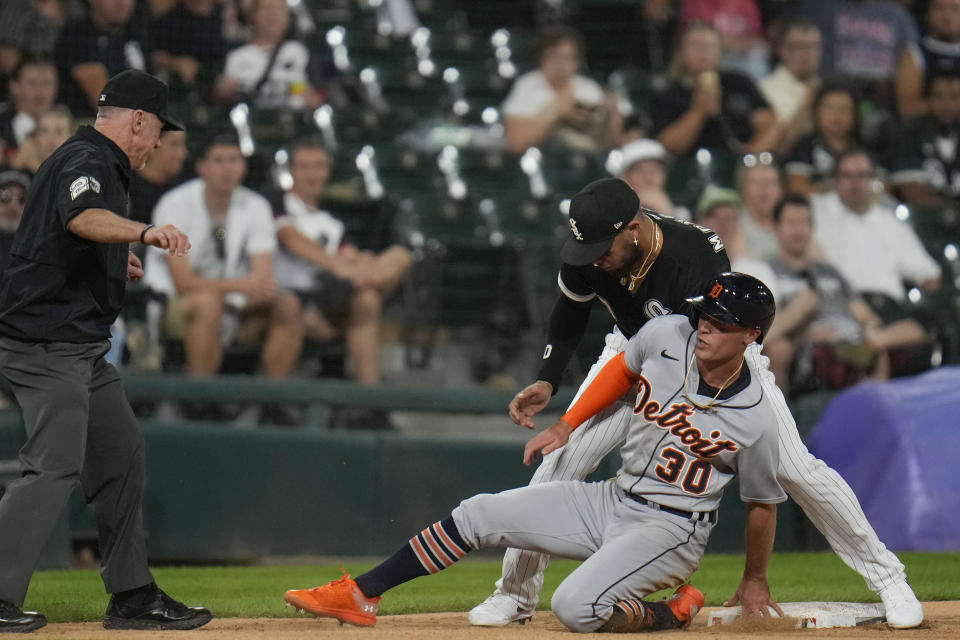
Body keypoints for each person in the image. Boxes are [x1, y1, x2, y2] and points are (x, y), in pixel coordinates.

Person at [466, 177, 923, 630]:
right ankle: (513, 595)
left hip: (721, 361)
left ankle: (889, 578)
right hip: (632, 353)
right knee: (559, 460)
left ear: (633, 228)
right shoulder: (589, 250)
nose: (595, 259)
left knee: (798, 470)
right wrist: (548, 378)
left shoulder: (693, 253)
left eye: (604, 245)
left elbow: (704, 345)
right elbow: (571, 310)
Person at [284, 273, 786, 632]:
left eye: (720, 323)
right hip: (615, 499)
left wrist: (755, 578)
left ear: (751, 335)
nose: (704, 326)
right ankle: (360, 594)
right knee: (478, 513)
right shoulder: (667, 334)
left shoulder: (756, 417)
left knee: (574, 606)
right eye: (704, 314)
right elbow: (623, 369)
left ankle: (670, 613)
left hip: (673, 530)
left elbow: (761, 504)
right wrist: (568, 423)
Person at [0, 69, 210, 633]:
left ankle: (133, 597)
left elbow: (69, 235)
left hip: (78, 347)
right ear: (138, 119)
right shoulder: (89, 159)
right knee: (53, 467)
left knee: (120, 455)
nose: (159, 143)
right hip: (46, 345)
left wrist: (114, 260)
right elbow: (82, 216)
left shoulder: (92, 157)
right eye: (158, 131)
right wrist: (143, 233)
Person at [143, 133, 303, 388]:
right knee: (209, 303)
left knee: (288, 305)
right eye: (218, 160)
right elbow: (183, 283)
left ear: (243, 167)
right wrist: (241, 286)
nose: (227, 168)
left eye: (233, 160)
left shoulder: (256, 205)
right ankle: (199, 400)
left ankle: (270, 401)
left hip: (232, 301)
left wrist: (250, 288)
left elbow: (261, 278)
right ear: (202, 167)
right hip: (175, 300)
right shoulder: (174, 204)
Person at [275, 139, 410, 390]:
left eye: (318, 166)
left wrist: (362, 263)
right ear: (291, 171)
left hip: (338, 292)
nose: (312, 173)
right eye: (304, 166)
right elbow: (290, 239)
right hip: (303, 297)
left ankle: (368, 403)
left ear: (327, 171)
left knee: (398, 259)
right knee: (366, 296)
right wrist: (336, 265)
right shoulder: (277, 203)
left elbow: (349, 253)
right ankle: (370, 399)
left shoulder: (331, 220)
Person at [763, 195, 925, 394]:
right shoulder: (767, 272)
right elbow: (772, 328)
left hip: (855, 340)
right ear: (775, 227)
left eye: (804, 223)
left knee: (917, 330)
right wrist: (804, 334)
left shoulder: (829, 271)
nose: (798, 230)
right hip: (816, 349)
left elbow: (862, 313)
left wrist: (871, 329)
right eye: (790, 223)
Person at [811, 148, 942, 317]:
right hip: (838, 307)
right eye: (846, 176)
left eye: (861, 176)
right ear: (834, 180)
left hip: (887, 310)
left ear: (872, 180)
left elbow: (927, 272)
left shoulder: (889, 222)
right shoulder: (815, 212)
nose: (854, 183)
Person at [653, 21, 779, 159]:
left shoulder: (739, 83)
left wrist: (751, 155)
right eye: (695, 46)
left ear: (720, 51)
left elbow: (770, 124)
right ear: (681, 52)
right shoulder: (670, 93)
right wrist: (699, 112)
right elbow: (667, 146)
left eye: (709, 46)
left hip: (740, 163)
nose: (703, 53)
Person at [501, 24, 623, 155]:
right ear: (540, 58)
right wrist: (556, 114)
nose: (560, 64)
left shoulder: (588, 88)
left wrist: (612, 116)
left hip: (587, 163)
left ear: (577, 62)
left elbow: (612, 147)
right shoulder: (527, 86)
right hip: (541, 163)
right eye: (553, 56)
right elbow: (515, 143)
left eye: (568, 57)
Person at [212, 0, 321, 110]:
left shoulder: (301, 51)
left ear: (287, 16)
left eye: (278, 10)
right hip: (252, 120)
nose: (273, 15)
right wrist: (222, 93)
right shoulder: (234, 55)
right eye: (266, 10)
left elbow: (322, 93)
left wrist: (313, 99)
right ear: (252, 15)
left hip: (292, 121)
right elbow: (216, 98)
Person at [54, 0, 150, 118]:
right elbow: (105, 102)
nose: (121, 3)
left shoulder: (136, 34)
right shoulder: (78, 34)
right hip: (87, 124)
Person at [890, 72, 960, 207]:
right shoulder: (909, 135)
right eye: (938, 97)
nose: (946, 105)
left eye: (954, 97)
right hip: (923, 223)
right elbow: (912, 192)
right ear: (928, 101)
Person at [758, 17, 822, 158]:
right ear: (783, 50)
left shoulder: (825, 87)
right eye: (800, 47)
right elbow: (778, 147)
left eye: (813, 47)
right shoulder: (766, 89)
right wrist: (808, 102)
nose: (807, 53)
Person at [785, 84, 861, 196]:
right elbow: (797, 187)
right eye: (829, 107)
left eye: (844, 108)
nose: (836, 115)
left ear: (855, 115)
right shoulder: (804, 146)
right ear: (816, 113)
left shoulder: (864, 149)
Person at [896, 0, 960, 119]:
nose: (947, 16)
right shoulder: (913, 54)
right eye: (939, 9)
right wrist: (951, 105)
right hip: (924, 133)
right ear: (928, 14)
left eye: (955, 9)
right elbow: (907, 109)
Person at [608, 137, 689, 219]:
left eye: (655, 169)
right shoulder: (609, 214)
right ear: (624, 177)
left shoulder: (682, 215)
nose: (648, 177)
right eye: (639, 170)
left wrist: (667, 214)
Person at [129, 128, 188, 226]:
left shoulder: (184, 188)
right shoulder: (124, 186)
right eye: (174, 145)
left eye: (183, 145)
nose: (182, 154)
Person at [0, 58, 58, 157]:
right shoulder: (2, 123)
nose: (40, 91)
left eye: (46, 84)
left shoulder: (71, 128)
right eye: (32, 83)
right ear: (14, 87)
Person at [736, 154, 783, 261]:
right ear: (743, 190)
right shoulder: (735, 225)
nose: (764, 189)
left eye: (770, 183)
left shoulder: (793, 223)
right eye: (756, 183)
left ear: (781, 190)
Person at [10, 104, 74, 173]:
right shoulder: (18, 177)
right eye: (44, 132)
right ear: (34, 139)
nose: (51, 140)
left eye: (59, 132)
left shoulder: (83, 176)